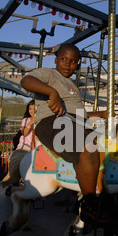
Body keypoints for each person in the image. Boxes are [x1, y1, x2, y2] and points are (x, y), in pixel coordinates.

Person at [20, 43, 107, 224]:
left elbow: (78, 115)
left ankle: (100, 195)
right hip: (53, 122)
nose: (68, 64)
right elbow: (26, 81)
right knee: (87, 144)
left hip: (75, 122)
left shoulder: (73, 86)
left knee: (109, 143)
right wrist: (51, 92)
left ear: (78, 64)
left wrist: (101, 114)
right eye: (63, 59)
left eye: (73, 61)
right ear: (56, 60)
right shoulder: (49, 74)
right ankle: (89, 203)